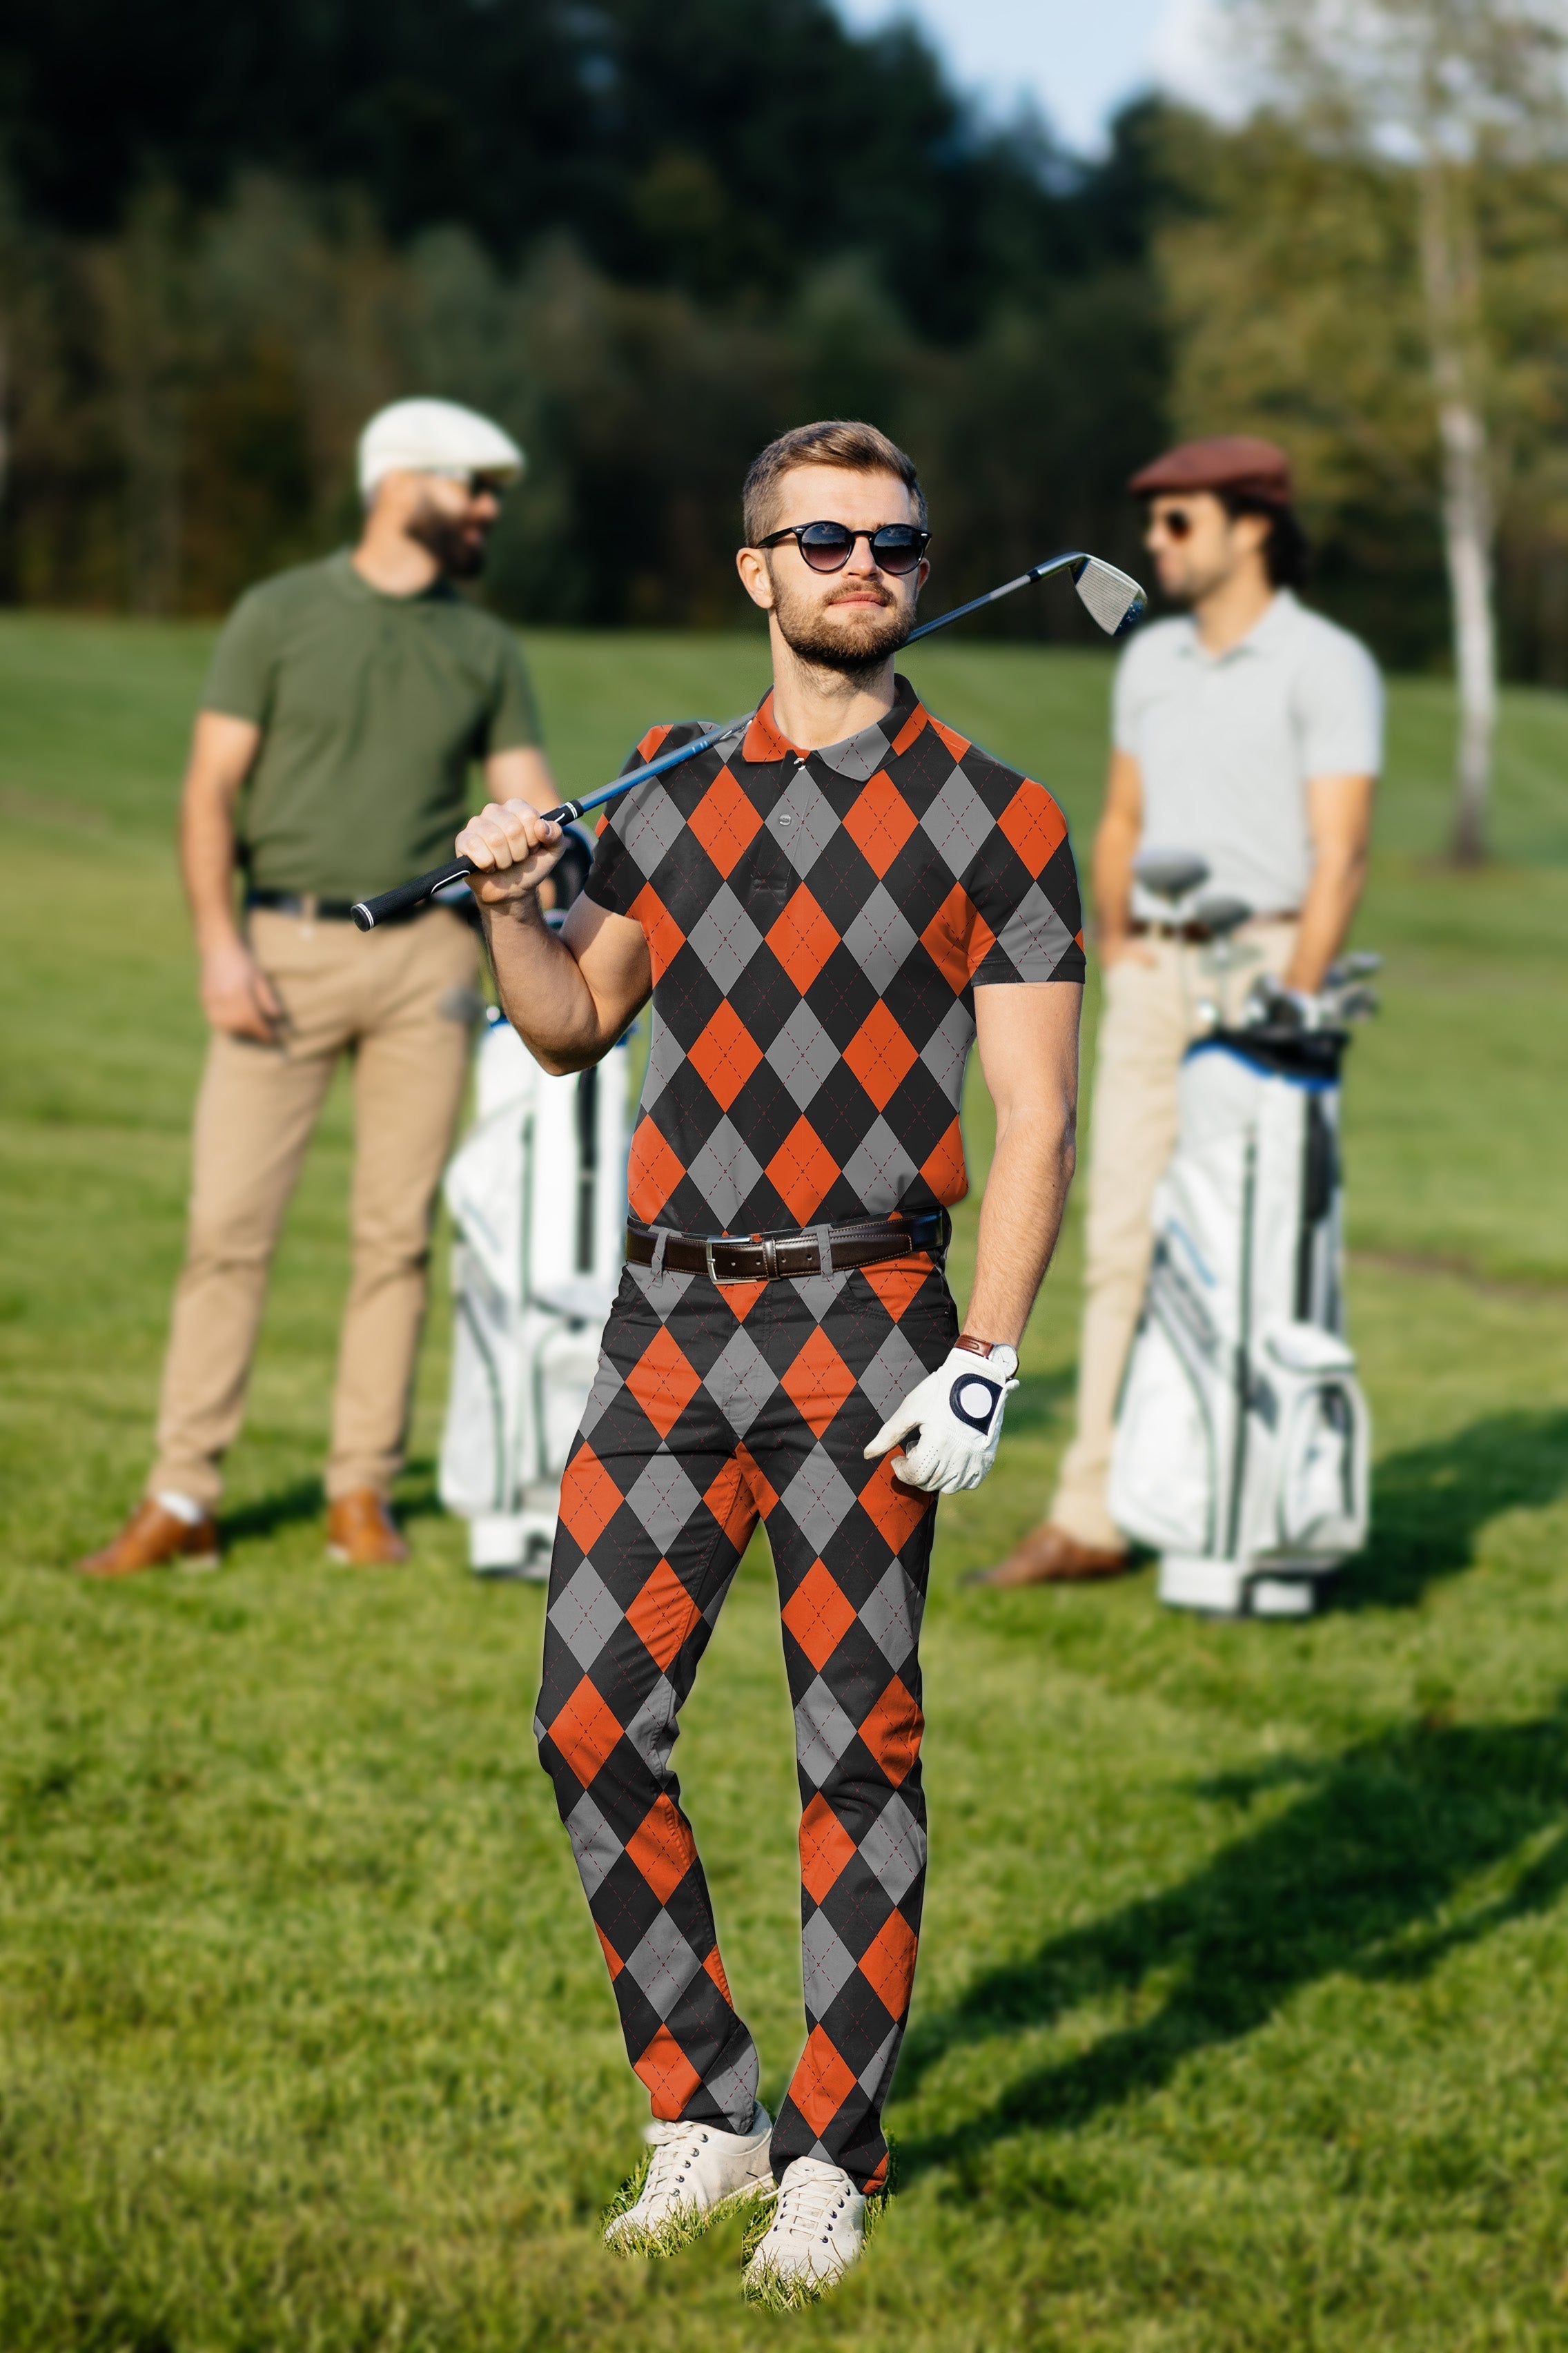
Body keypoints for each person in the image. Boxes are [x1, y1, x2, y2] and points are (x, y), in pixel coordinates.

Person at [453, 420, 1084, 2301]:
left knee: (855, 1750)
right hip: (666, 1321)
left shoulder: (998, 815)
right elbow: (569, 1025)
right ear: (758, 573)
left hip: (870, 1325)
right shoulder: (664, 786)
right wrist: (507, 901)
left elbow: (1038, 1118)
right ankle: (704, 2109)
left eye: (894, 540)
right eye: (823, 540)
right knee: (587, 1718)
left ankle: (829, 2153)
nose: (863, 565)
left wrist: (988, 1354)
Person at [77, 398, 557, 1576]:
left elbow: (536, 802)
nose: (487, 510)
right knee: (227, 1229)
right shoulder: (277, 615)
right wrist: (218, 947)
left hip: (429, 964)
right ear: (399, 483)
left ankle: (360, 1495)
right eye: (471, 486)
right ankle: (183, 1494)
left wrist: (559, 861)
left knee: (395, 1237)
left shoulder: (485, 647)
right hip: (279, 950)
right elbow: (209, 791)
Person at [978, 433, 1382, 1589]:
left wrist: (1294, 999)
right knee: (1119, 1242)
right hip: (1155, 975)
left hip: (1267, 973)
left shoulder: (1327, 664)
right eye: (1152, 520)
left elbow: (1342, 854)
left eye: (1179, 520)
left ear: (1253, 527)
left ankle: (1251, 1506)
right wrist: (1120, 942)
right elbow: (1121, 819)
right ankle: (1094, 1512)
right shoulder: (1150, 660)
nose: (1155, 542)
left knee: (1254, 1249)